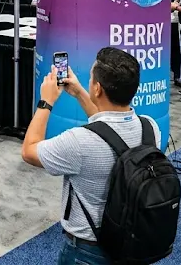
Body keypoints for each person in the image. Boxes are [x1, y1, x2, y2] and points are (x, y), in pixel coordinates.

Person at [21, 47, 160, 265]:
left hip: (88, 249)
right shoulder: (150, 129)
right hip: (132, 241)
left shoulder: (79, 142)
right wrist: (77, 92)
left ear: (97, 88)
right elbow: (109, 129)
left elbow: (29, 151)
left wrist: (45, 102)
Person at [170, 0, 181, 90]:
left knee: (174, 49)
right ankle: (176, 76)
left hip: (171, 20)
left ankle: (177, 76)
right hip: (167, 21)